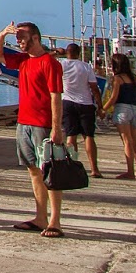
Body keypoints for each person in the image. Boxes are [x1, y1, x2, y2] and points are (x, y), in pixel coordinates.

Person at [0, 21, 66, 238]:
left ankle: (55, 220)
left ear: (35, 38)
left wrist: (56, 127)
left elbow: (56, 97)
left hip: (42, 124)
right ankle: (40, 216)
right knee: (33, 170)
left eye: (22, 37)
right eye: (18, 38)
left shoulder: (49, 63)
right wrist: (3, 34)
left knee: (50, 172)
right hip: (23, 122)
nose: (20, 41)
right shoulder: (23, 60)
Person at [59, 44, 103, 178]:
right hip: (85, 103)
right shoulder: (85, 66)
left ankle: (72, 167)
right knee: (88, 136)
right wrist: (100, 106)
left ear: (67, 53)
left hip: (68, 102)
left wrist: (56, 52)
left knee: (71, 136)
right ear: (79, 53)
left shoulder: (62, 65)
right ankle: (94, 169)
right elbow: (94, 88)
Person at [100, 53, 136, 180]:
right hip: (135, 109)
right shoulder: (134, 78)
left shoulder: (118, 78)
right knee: (135, 142)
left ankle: (130, 172)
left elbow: (113, 97)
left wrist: (103, 109)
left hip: (122, 109)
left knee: (127, 141)